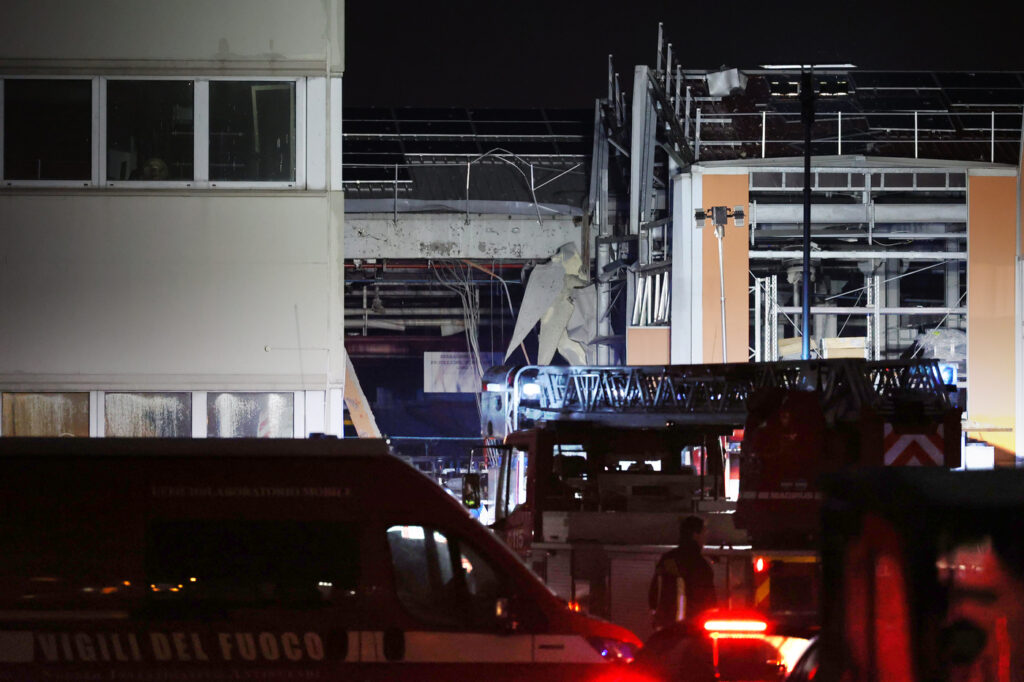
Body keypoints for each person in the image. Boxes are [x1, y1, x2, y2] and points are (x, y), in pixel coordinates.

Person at [648, 515, 717, 630]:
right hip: (689, 630)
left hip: (664, 630)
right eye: (704, 533)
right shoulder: (700, 565)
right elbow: (707, 601)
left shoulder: (667, 559)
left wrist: (658, 617)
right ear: (696, 535)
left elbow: (654, 594)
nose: (705, 538)